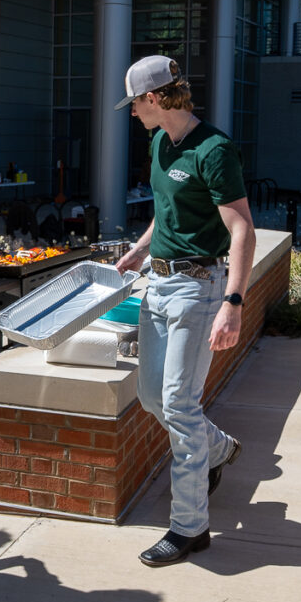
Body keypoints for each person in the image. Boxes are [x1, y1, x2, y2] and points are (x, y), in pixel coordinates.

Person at [114, 56, 256, 567]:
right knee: (151, 393)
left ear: (154, 99)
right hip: (158, 283)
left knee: (177, 402)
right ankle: (217, 449)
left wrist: (234, 304)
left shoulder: (215, 150)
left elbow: (241, 228)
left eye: (133, 102)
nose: (131, 112)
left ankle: (189, 527)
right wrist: (140, 249)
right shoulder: (158, 142)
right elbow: (164, 207)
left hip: (201, 288)